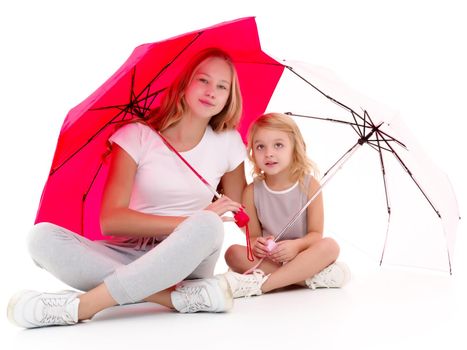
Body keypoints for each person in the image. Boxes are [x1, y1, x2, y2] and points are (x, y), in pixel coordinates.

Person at [7, 48, 247, 328]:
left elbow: (241, 211)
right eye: (203, 80)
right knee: (40, 238)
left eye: (222, 86)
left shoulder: (228, 142)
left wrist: (282, 170)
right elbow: (112, 220)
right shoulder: (136, 135)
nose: (211, 91)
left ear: (230, 97)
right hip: (130, 252)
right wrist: (188, 220)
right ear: (184, 84)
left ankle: (83, 307)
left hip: (187, 257)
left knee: (209, 226)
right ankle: (174, 298)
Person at [221, 113, 350, 298]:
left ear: (294, 148)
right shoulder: (252, 191)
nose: (269, 153)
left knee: (330, 246)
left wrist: (296, 246)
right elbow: (253, 237)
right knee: (232, 253)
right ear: (252, 153)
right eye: (260, 147)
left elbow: (315, 235)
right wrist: (258, 244)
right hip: (270, 260)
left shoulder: (309, 185)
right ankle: (308, 278)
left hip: (303, 256)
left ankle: (262, 285)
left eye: (278, 145)